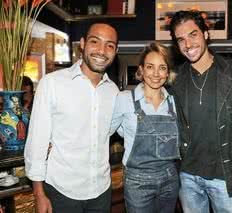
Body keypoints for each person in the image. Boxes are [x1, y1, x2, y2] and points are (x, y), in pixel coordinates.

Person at [168, 10, 232, 213]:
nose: (188, 44)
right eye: (181, 39)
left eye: (193, 34)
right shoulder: (176, 79)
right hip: (187, 176)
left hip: (225, 173)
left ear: (205, 34)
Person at [24, 23, 119, 213]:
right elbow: (37, 141)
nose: (101, 50)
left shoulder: (114, 91)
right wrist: (39, 193)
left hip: (101, 191)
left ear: (115, 51)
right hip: (61, 192)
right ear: (82, 44)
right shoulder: (52, 84)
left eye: (109, 45)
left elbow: (107, 134)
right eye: (95, 41)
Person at [110, 42, 180, 213]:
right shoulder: (124, 99)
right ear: (141, 69)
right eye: (150, 67)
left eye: (162, 67)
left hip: (169, 179)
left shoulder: (174, 102)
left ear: (168, 71)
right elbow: (108, 132)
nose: (156, 74)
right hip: (137, 182)